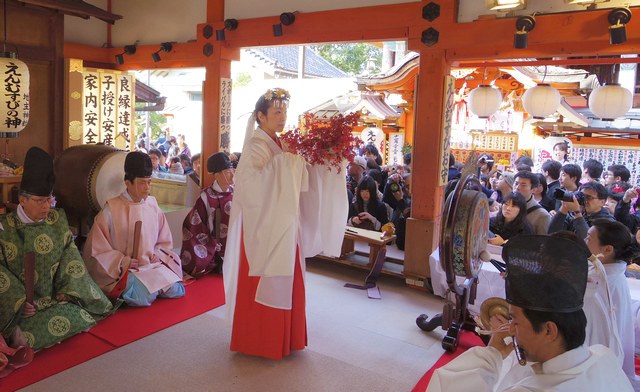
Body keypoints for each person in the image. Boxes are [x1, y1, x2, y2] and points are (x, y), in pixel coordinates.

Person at [222, 88, 346, 360]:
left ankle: (286, 338)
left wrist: (321, 159)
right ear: (261, 116)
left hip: (283, 225)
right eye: (276, 112)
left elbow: (294, 177)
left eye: (284, 111)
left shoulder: (277, 143)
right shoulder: (256, 145)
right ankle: (260, 341)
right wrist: (286, 165)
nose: (282, 117)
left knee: (287, 280)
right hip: (263, 229)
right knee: (267, 280)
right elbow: (249, 186)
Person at [427, 235, 633, 391]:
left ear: (549, 330)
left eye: (515, 320)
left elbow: (444, 386)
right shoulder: (603, 357)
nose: (511, 330)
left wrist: (492, 353)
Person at [0, 147, 115, 351]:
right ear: (22, 200)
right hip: (21, 310)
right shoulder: (5, 228)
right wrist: (17, 303)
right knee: (25, 338)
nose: (46, 207)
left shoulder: (56, 221)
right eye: (39, 201)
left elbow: (70, 259)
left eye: (48, 200)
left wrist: (66, 292)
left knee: (82, 316)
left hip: (53, 301)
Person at [83, 151, 184, 307]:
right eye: (142, 183)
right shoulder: (111, 209)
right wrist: (123, 262)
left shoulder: (152, 205)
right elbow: (97, 250)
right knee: (143, 297)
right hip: (125, 270)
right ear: (127, 183)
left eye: (149, 182)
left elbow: (164, 240)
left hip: (151, 265)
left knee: (177, 290)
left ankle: (153, 286)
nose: (147, 188)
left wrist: (158, 254)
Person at [584, 219, 639, 386]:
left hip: (598, 351)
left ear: (607, 250)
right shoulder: (609, 270)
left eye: (588, 238)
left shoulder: (603, 281)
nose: (584, 241)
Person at [181, 152, 234, 278]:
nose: (232, 174)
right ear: (216, 175)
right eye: (227, 171)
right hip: (212, 245)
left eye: (232, 170)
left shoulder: (236, 191)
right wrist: (212, 244)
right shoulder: (206, 196)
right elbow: (195, 224)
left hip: (233, 243)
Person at [548, 181, 614, 241]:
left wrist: (577, 213)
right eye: (581, 196)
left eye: (588, 197)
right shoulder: (573, 214)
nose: (583, 200)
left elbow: (589, 242)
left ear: (602, 202)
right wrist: (564, 208)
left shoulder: (608, 222)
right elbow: (552, 233)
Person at [513, 171, 551, 235]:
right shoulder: (506, 205)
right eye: (516, 183)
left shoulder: (542, 215)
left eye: (523, 185)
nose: (517, 188)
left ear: (533, 189)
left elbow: (541, 242)